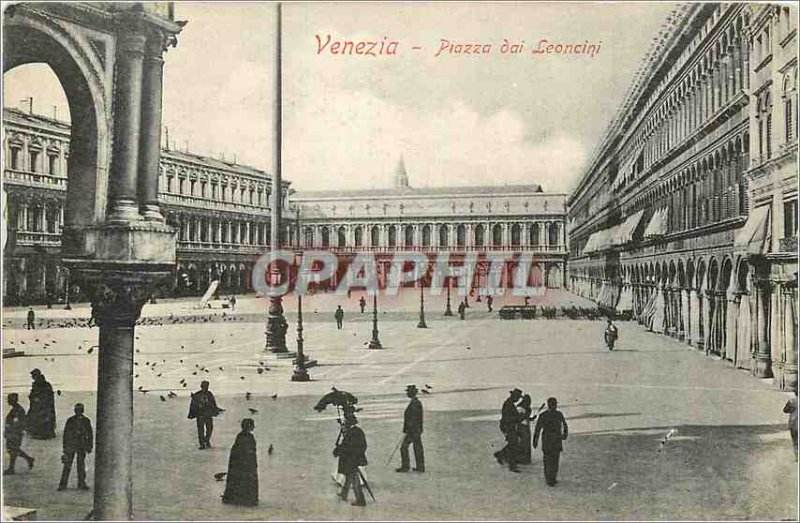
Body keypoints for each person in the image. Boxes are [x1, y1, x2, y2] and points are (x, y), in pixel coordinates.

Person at [533, 397, 569, 486]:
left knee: (548, 460)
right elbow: (565, 426)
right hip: (556, 440)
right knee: (554, 460)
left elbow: (538, 429)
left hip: (547, 440)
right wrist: (564, 435)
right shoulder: (559, 414)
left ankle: (549, 478)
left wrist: (535, 440)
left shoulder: (543, 415)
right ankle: (552, 478)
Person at [222, 418, 258, 506]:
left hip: (238, 463)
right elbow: (249, 451)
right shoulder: (248, 437)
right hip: (245, 463)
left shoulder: (240, 436)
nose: (254, 427)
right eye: (252, 425)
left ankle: (237, 497)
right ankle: (245, 498)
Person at [334, 412, 368, 506]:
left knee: (353, 478)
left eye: (345, 422)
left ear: (349, 422)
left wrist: (338, 450)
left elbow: (348, 446)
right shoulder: (355, 431)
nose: (344, 423)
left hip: (351, 459)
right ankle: (344, 495)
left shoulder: (353, 432)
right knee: (349, 476)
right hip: (352, 458)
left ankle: (360, 500)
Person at [58, 403, 93, 491]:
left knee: (78, 465)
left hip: (79, 445)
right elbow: (66, 434)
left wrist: (89, 445)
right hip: (74, 445)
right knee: (70, 465)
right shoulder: (79, 420)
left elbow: (90, 434)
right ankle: (66, 484)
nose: (78, 412)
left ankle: (79, 483)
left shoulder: (82, 420)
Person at [396, 385, 424, 473]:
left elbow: (413, 418)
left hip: (412, 430)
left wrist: (408, 429)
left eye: (408, 392)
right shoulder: (416, 402)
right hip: (416, 430)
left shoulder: (415, 403)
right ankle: (420, 466)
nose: (407, 393)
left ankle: (406, 466)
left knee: (404, 447)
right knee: (417, 447)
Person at [4, 393, 34, 474]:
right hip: (14, 433)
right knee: (13, 450)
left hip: (15, 433)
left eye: (9, 399)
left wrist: (11, 431)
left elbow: (18, 423)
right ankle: (27, 459)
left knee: (13, 450)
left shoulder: (17, 410)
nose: (8, 401)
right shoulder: (17, 409)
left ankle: (12, 468)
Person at [494, 388, 523, 472]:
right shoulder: (509, 404)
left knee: (513, 444)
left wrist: (521, 417)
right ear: (514, 396)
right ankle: (512, 465)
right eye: (517, 397)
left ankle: (500, 454)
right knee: (514, 445)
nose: (518, 399)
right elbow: (509, 418)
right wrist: (519, 417)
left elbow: (513, 417)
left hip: (508, 426)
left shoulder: (509, 403)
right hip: (508, 426)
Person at [188, 381, 222, 449]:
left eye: (206, 386)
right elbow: (193, 405)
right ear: (201, 386)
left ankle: (206, 440)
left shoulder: (209, 394)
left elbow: (213, 403)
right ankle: (202, 443)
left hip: (208, 414)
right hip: (200, 415)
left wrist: (216, 410)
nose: (206, 387)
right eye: (204, 386)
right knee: (201, 430)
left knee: (210, 429)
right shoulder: (197, 394)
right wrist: (192, 413)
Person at [28, 369, 56, 439]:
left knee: (42, 420)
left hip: (43, 407)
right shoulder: (39, 384)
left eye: (33, 375)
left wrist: (36, 399)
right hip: (39, 407)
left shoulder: (43, 384)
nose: (32, 377)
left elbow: (46, 396)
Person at [517, 394, 533, 465]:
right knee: (523, 442)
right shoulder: (520, 408)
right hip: (522, 427)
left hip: (525, 426)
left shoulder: (525, 408)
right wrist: (527, 416)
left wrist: (530, 418)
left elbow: (525, 417)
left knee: (525, 442)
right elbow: (519, 418)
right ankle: (523, 459)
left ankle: (526, 459)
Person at [784, 393, 798, 462]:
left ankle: (797, 459)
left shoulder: (792, 401)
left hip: (794, 425)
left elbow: (785, 410)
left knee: (795, 443)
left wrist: (791, 408)